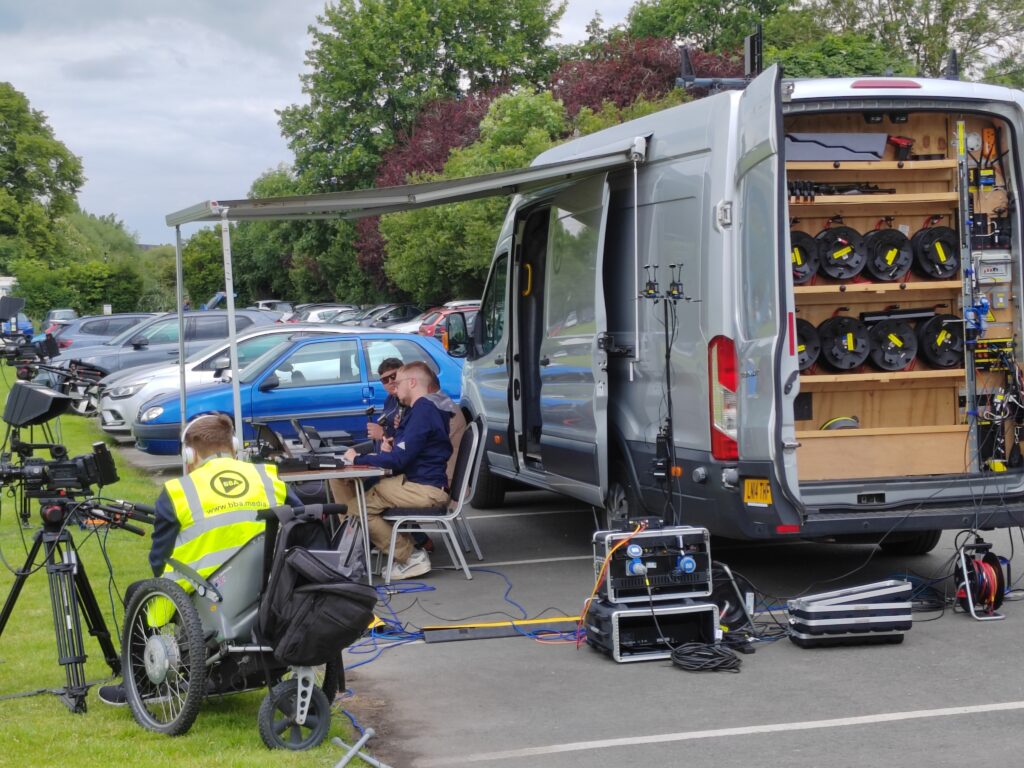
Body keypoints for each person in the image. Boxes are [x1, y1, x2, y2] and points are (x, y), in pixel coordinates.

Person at [99, 413, 298, 706]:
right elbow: (300, 523)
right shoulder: (267, 477)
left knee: (139, 591)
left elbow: (160, 558)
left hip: (208, 595)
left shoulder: (179, 491)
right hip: (268, 587)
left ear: (188, 453)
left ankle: (142, 687)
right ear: (234, 444)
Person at [342, 361, 453, 580]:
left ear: (412, 383)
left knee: (359, 508)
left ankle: (410, 557)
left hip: (425, 489)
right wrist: (390, 446)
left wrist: (359, 458)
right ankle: (408, 553)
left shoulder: (423, 411)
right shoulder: (426, 409)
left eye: (399, 382)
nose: (395, 387)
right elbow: (407, 450)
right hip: (424, 484)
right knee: (362, 502)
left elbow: (400, 459)